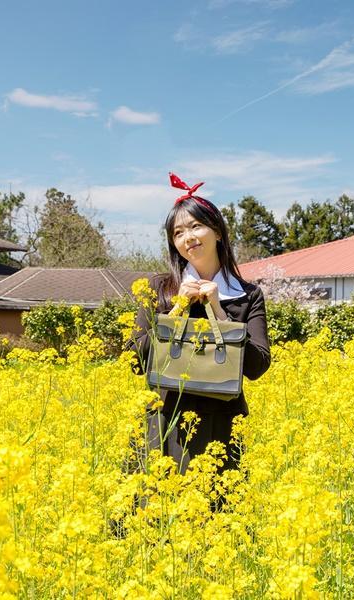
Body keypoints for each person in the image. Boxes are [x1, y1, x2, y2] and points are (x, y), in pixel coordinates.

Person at [129, 173, 271, 473]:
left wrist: (220, 312)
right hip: (164, 422)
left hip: (222, 425)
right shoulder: (159, 289)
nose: (188, 238)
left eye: (196, 226)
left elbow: (258, 367)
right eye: (178, 232)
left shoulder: (248, 296)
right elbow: (134, 360)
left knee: (218, 514)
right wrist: (177, 308)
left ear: (217, 231)